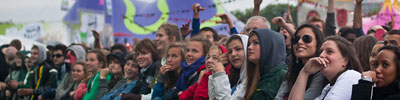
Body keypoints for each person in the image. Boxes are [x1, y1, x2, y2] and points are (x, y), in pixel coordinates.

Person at [289, 36, 363, 100]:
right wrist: (304, 72)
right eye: (321, 51)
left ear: (345, 61)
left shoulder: (350, 75)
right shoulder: (329, 87)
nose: (321, 55)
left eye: (329, 51)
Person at [275, 24, 326, 100]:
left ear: (318, 44)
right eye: (296, 39)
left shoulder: (322, 71)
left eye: (306, 38)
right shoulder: (292, 71)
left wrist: (304, 73)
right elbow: (278, 98)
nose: (299, 42)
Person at [244, 29, 287, 100]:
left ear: (270, 46)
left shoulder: (282, 75)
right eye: (249, 44)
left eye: (256, 43)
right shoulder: (255, 75)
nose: (249, 47)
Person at [207, 34, 248, 100]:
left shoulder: (251, 78)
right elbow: (213, 98)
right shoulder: (234, 76)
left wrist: (220, 73)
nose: (233, 54)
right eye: (230, 52)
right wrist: (215, 73)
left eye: (238, 49)